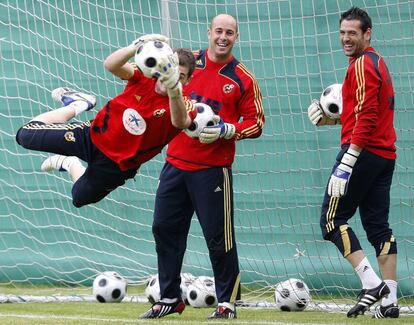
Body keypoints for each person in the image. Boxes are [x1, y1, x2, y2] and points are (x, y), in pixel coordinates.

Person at [140, 14, 264, 320]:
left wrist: (227, 130)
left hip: (212, 170)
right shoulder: (187, 63)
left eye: (230, 33)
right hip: (175, 164)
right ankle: (169, 297)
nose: (223, 37)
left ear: (236, 37)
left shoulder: (242, 78)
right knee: (164, 229)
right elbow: (156, 84)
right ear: (209, 32)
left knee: (218, 237)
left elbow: (256, 123)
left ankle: (227, 303)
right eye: (218, 31)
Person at [16, 34, 197, 208]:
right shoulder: (144, 76)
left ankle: (68, 162)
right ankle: (78, 104)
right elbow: (111, 65)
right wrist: (133, 48)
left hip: (116, 166)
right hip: (92, 136)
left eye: (180, 77)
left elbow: (180, 122)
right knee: (25, 135)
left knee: (79, 198)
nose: (171, 78)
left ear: (188, 80)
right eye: (170, 71)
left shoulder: (185, 104)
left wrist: (174, 89)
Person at [307, 7, 398, 319]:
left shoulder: (361, 65)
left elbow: (368, 117)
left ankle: (371, 284)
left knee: (332, 220)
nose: (346, 38)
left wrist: (348, 159)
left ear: (367, 34)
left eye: (353, 33)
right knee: (378, 227)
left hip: (363, 153)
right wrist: (335, 123)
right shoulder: (377, 62)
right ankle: (390, 301)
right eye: (343, 32)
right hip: (384, 155)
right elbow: (368, 112)